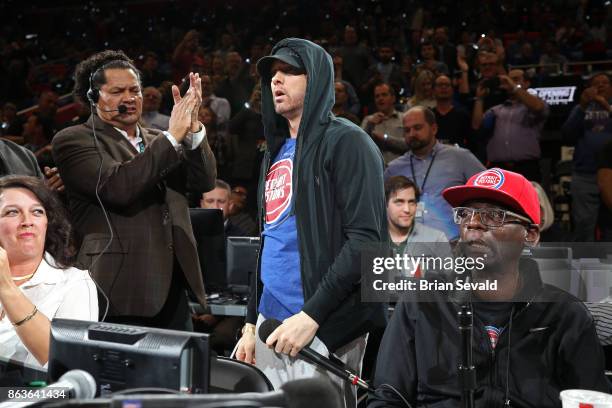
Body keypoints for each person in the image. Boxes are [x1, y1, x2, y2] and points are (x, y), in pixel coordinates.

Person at [368, 168, 610, 407]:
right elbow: (388, 398)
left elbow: (592, 400)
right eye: (465, 214)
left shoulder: (565, 316)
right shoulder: (420, 303)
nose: (473, 224)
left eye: (494, 215)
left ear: (531, 235)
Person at [235, 38, 387, 408]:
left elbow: (366, 240)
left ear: (316, 79)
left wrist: (312, 315)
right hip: (273, 325)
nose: (276, 81)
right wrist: (252, 322)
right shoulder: (273, 151)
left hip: (322, 325)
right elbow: (269, 239)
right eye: (273, 74)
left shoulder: (349, 142)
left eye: (289, 71)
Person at [52, 50, 216, 330]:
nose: (129, 98)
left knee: (177, 373)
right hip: (116, 287)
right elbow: (119, 187)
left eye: (134, 90)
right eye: (117, 91)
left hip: (172, 285)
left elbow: (204, 182)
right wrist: (172, 137)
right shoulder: (74, 140)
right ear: (93, 98)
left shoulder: (160, 139)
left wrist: (193, 129)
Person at [0, 175, 98, 368]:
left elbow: (68, 363)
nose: (27, 221)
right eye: (12, 212)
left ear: (47, 222)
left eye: (37, 212)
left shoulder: (75, 283)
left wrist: (6, 287)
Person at [385, 106, 485, 240]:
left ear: (434, 129)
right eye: (407, 130)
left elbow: (488, 191)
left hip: (452, 245)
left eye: (417, 128)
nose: (411, 134)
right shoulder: (394, 168)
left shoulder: (460, 158)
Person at [472, 69, 549, 182]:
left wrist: (514, 86)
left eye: (515, 79)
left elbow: (537, 107)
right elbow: (476, 125)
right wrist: (479, 99)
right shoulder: (497, 109)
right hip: (499, 168)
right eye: (508, 80)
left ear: (527, 83)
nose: (509, 83)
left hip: (526, 168)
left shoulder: (534, 105)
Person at [561, 73, 612, 242]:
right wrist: (582, 106)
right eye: (596, 83)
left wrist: (606, 107)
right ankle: (584, 264)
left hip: (610, 175)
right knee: (583, 224)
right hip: (585, 174)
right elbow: (567, 136)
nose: (601, 86)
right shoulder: (580, 109)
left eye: (605, 83)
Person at [385, 175, 450, 278]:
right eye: (399, 202)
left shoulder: (437, 239)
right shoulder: (372, 238)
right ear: (386, 204)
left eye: (411, 202)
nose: (407, 209)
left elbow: (450, 282)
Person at [362, 83, 406, 164]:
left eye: (384, 95)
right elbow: (360, 146)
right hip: (376, 169)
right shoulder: (368, 120)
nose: (380, 98)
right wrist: (370, 125)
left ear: (393, 98)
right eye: (377, 96)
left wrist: (385, 139)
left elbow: (408, 144)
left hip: (400, 169)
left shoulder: (404, 118)